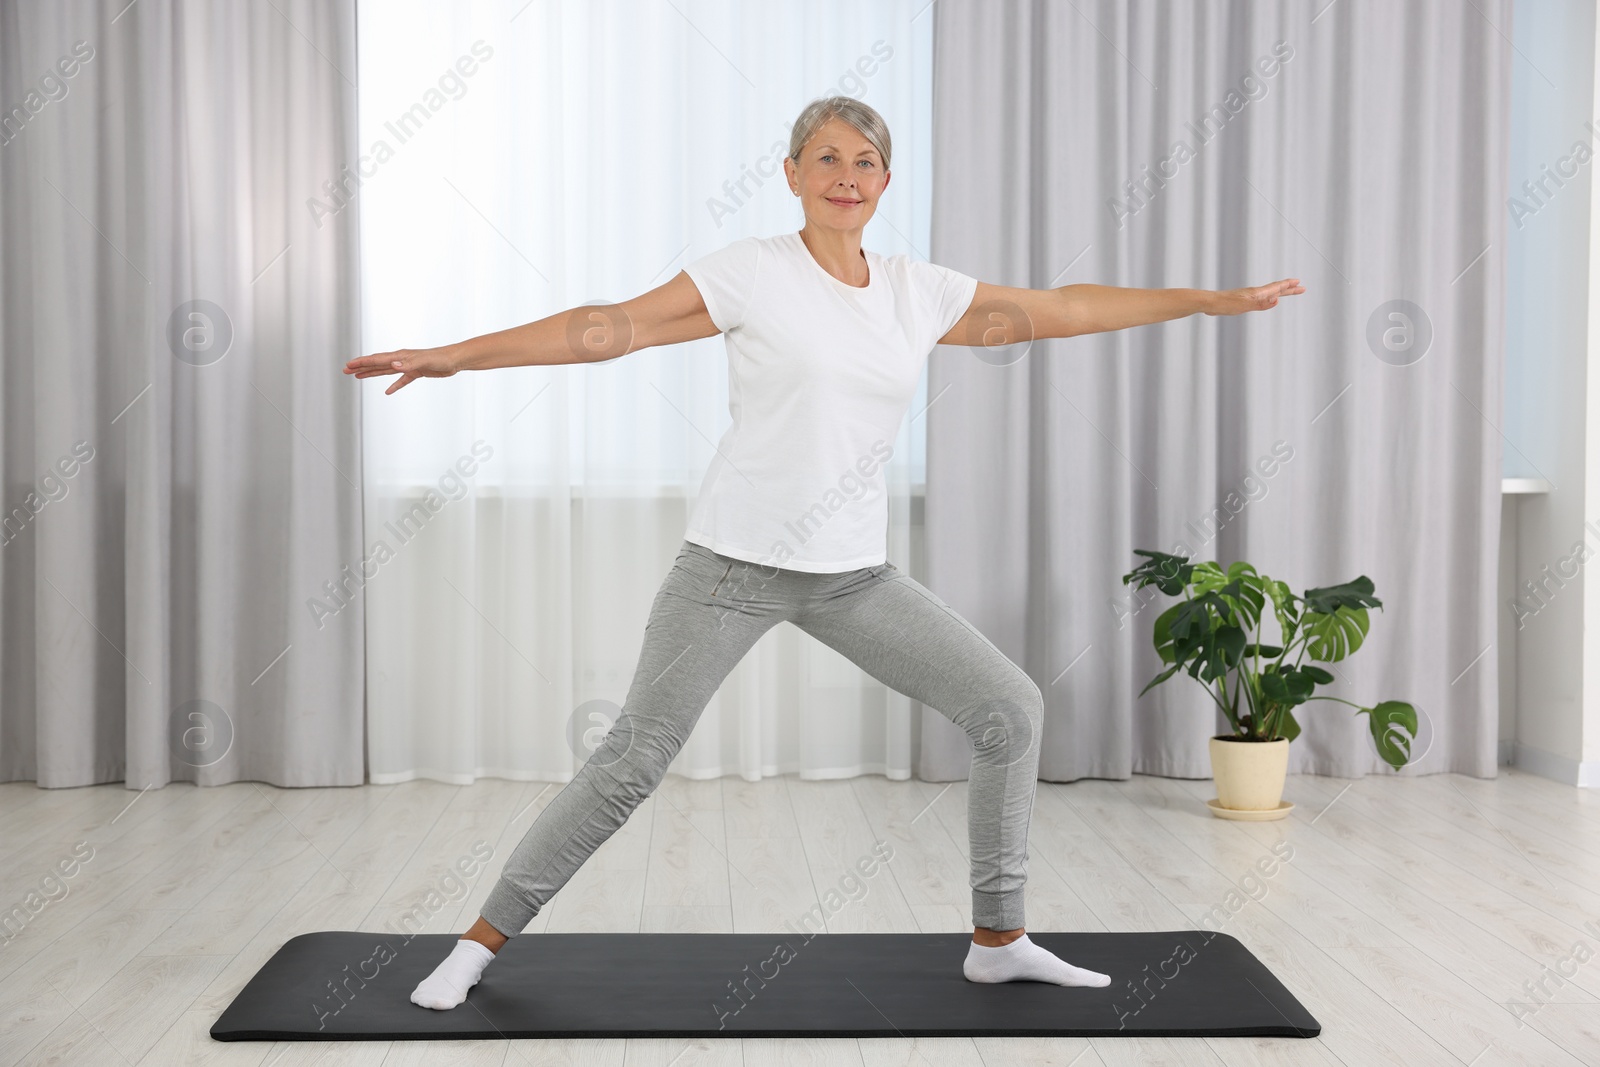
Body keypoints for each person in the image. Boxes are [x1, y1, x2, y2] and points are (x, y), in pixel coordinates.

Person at [343, 94, 1303, 1011]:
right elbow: (610, 329)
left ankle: (998, 942)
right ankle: (475, 945)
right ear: (794, 172)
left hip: (852, 576)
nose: (848, 174)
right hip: (732, 567)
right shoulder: (752, 270)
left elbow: (1063, 308)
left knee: (1009, 706)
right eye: (829, 158)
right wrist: (454, 354)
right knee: (632, 760)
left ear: (886, 182)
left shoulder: (917, 293)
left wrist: (1206, 302)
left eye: (867, 160)